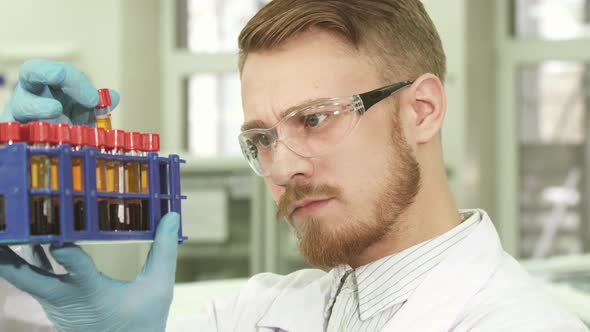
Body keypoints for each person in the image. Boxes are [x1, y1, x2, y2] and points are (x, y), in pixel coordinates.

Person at [0, 0, 587, 331]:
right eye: (261, 137)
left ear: (422, 110)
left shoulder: (519, 323)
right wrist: (36, 191)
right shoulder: (263, 310)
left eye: (313, 118)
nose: (281, 167)